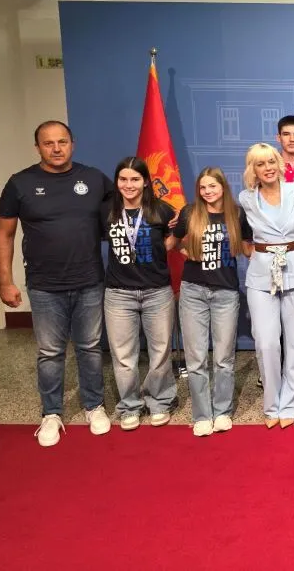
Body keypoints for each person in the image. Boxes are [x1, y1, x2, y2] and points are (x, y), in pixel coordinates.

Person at [0, 121, 114, 447]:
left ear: (72, 143)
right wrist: (5, 282)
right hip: (44, 285)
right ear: (38, 148)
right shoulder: (20, 183)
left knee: (90, 347)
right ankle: (51, 413)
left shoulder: (94, 179)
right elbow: (4, 234)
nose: (56, 148)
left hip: (89, 280)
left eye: (62, 141)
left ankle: (94, 406)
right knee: (50, 352)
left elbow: (126, 212)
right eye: (48, 143)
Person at [238, 143, 294, 428]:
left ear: (279, 164)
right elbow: (242, 236)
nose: (267, 168)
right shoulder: (246, 198)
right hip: (261, 274)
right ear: (253, 169)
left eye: (271, 161)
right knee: (266, 341)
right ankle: (272, 404)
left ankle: (290, 404)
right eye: (260, 164)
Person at [173, 167, 251, 437]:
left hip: (225, 293)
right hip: (193, 291)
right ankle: (202, 415)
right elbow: (173, 243)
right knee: (196, 358)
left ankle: (223, 412)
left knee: (223, 358)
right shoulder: (189, 213)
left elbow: (248, 248)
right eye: (203, 187)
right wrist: (187, 251)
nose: (208, 192)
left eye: (212, 186)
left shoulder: (237, 214)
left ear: (223, 187)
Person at [102, 156, 178, 430]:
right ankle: (130, 406)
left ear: (146, 182)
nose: (129, 185)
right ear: (117, 182)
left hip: (157, 292)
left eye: (135, 179)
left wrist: (168, 243)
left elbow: (173, 239)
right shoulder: (106, 211)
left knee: (160, 352)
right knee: (123, 355)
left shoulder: (162, 210)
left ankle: (159, 401)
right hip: (119, 294)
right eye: (123, 179)